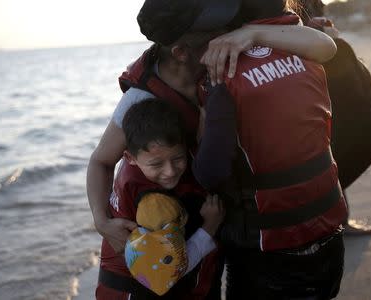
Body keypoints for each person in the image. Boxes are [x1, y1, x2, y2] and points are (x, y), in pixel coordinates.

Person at [86, 0, 338, 256]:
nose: (230, 33)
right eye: (216, 32)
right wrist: (101, 220)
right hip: (168, 230)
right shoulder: (142, 98)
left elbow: (325, 46)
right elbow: (100, 161)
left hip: (218, 224)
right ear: (181, 53)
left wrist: (253, 33)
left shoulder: (230, 57)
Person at [136, 0, 349, 299]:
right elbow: (327, 47)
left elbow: (211, 173)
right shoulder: (302, 48)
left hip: (272, 255)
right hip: (331, 237)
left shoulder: (223, 78)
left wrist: (203, 123)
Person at [96, 98, 230, 299]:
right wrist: (209, 227)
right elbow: (167, 271)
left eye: (178, 158)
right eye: (157, 164)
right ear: (129, 157)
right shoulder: (155, 205)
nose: (169, 171)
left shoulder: (138, 163)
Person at [297, 0, 371, 235]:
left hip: (319, 59)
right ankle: (332, 219)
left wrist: (316, 29)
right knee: (330, 142)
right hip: (301, 67)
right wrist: (305, 28)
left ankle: (337, 218)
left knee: (337, 140)